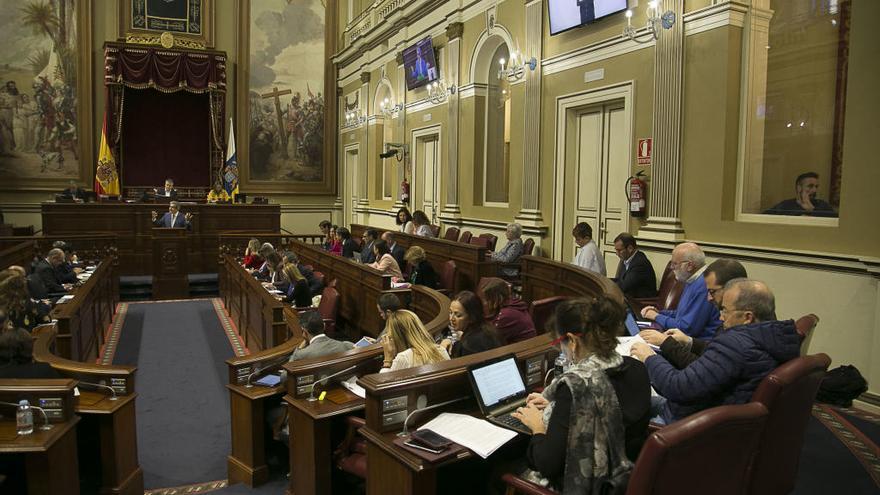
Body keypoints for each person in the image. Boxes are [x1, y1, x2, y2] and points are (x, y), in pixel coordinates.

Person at [508, 296, 638, 492]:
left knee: (497, 472)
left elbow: (547, 464)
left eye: (560, 342)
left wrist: (537, 426)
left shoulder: (575, 388)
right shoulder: (636, 368)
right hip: (624, 479)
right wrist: (556, 406)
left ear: (573, 341)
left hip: (585, 486)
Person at [631, 279, 800, 424]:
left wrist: (649, 357)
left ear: (747, 317)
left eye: (725, 310)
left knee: (622, 412)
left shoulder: (736, 345)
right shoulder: (775, 337)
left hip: (689, 423)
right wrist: (690, 342)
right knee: (631, 400)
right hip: (708, 412)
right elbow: (718, 359)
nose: (720, 317)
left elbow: (677, 386)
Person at [639, 258, 748, 368]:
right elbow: (710, 349)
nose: (709, 298)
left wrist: (660, 348)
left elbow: (701, 368)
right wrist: (689, 341)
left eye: (712, 292)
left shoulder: (738, 336)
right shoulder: (729, 324)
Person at [639, 243, 721, 339]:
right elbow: (681, 314)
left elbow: (687, 329)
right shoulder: (692, 279)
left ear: (689, 266)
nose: (671, 267)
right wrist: (660, 312)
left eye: (675, 263)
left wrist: (656, 317)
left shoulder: (703, 285)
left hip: (699, 343)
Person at [380, 310, 449, 372]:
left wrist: (387, 360)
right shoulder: (441, 350)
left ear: (396, 336)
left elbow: (385, 381)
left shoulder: (403, 358)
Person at [442, 291, 503, 358]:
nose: (451, 318)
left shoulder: (469, 345)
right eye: (450, 312)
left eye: (458, 315)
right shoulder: (487, 329)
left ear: (472, 318)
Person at [481, 278, 536, 345]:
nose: (485, 303)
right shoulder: (511, 303)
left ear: (497, 298)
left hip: (523, 349)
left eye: (487, 299)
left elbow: (489, 339)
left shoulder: (507, 315)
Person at [764, 172, 837, 218]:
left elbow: (836, 222)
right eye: (810, 186)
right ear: (799, 188)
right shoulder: (785, 205)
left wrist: (812, 210)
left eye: (816, 187)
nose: (814, 190)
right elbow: (764, 217)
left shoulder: (823, 205)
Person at [611, 233, 656, 299]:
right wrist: (605, 281)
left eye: (619, 250)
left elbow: (624, 286)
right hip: (629, 298)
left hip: (639, 302)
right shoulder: (627, 259)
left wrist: (608, 286)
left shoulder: (640, 263)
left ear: (630, 248)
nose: (617, 253)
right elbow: (620, 280)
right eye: (616, 250)